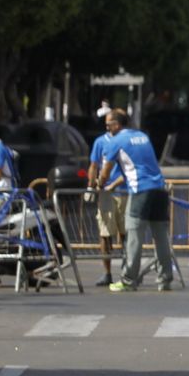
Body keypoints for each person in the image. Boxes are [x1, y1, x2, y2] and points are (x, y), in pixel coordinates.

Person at [98, 109, 176, 292]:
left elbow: (106, 172)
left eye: (109, 125)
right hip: (159, 188)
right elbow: (136, 165)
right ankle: (165, 280)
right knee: (161, 238)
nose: (107, 129)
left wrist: (100, 183)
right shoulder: (142, 136)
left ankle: (128, 280)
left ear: (117, 125)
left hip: (140, 190)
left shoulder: (116, 141)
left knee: (134, 237)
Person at [87, 116, 128, 286]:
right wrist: (90, 187)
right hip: (105, 193)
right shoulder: (100, 142)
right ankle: (107, 272)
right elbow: (94, 166)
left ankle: (128, 272)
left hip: (124, 192)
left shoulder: (126, 141)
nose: (107, 126)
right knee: (105, 234)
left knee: (126, 234)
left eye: (109, 123)